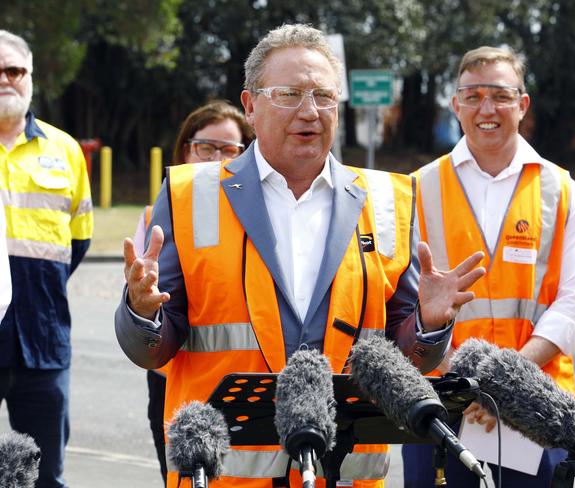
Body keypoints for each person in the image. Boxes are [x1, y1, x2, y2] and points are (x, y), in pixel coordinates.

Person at [115, 24, 485, 488]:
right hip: (227, 474)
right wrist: (142, 312)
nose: (309, 111)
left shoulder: (388, 199)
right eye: (289, 93)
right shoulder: (191, 196)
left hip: (344, 471)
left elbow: (409, 358)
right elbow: (152, 350)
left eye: (323, 96)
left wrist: (429, 325)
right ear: (250, 105)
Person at [404, 45, 575, 488]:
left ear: (522, 104)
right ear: (455, 105)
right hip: (439, 406)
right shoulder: (414, 190)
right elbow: (398, 299)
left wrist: (504, 384)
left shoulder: (561, 190)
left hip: (537, 405)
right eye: (472, 96)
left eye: (500, 95)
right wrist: (467, 389)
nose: (485, 108)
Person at [132, 99, 253, 485]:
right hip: (174, 381)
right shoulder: (157, 216)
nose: (216, 157)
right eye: (206, 146)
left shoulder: (258, 219)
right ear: (185, 150)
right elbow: (141, 301)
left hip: (240, 381)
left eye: (229, 149)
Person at [0, 30, 93, 488]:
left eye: (13, 70)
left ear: (30, 78)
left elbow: (78, 242)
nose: (4, 80)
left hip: (43, 339)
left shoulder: (66, 151)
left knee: (43, 475)